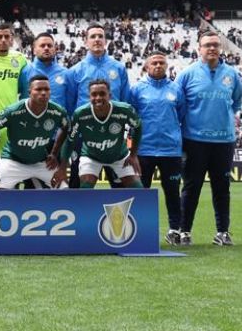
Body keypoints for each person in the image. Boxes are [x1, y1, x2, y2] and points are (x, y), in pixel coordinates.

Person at [175, 31, 241, 246]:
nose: (211, 48)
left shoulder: (232, 74)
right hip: (194, 141)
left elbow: (237, 102)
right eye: (207, 45)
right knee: (191, 187)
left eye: (215, 45)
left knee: (222, 187)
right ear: (198, 49)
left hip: (224, 141)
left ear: (220, 48)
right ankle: (184, 231)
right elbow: (178, 106)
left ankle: (222, 232)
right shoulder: (187, 74)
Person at [64, 23, 131, 187]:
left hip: (113, 133)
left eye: (100, 36)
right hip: (84, 135)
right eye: (93, 36)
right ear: (86, 41)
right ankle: (79, 213)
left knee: (120, 184)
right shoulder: (75, 70)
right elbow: (70, 105)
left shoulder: (119, 68)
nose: (97, 39)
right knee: (79, 182)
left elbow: (125, 101)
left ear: (106, 40)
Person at [129, 52, 187, 245]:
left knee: (172, 192)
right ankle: (139, 230)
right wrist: (132, 149)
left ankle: (174, 230)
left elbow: (181, 115)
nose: (158, 65)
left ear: (167, 65)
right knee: (141, 192)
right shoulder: (136, 89)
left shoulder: (176, 89)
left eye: (162, 62)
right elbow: (131, 118)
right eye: (154, 62)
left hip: (170, 151)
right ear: (146, 66)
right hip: (144, 150)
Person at [51, 79, 142, 189]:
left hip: (120, 156)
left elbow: (137, 127)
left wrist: (133, 155)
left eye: (102, 94)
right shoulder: (80, 114)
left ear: (110, 95)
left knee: (137, 188)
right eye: (94, 94)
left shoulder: (124, 110)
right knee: (86, 187)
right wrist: (62, 168)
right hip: (91, 157)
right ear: (89, 96)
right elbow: (70, 140)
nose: (98, 98)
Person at [0, 75, 68, 189]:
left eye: (46, 89)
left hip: (41, 162)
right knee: (1, 194)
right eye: (38, 89)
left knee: (63, 188)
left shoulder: (58, 112)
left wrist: (54, 153)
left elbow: (66, 129)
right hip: (12, 161)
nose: (43, 93)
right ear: (29, 92)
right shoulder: (12, 111)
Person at [19, 33, 68, 105]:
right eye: (42, 45)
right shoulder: (24, 72)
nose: (46, 48)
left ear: (54, 49)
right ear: (34, 50)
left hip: (57, 116)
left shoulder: (65, 73)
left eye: (50, 45)